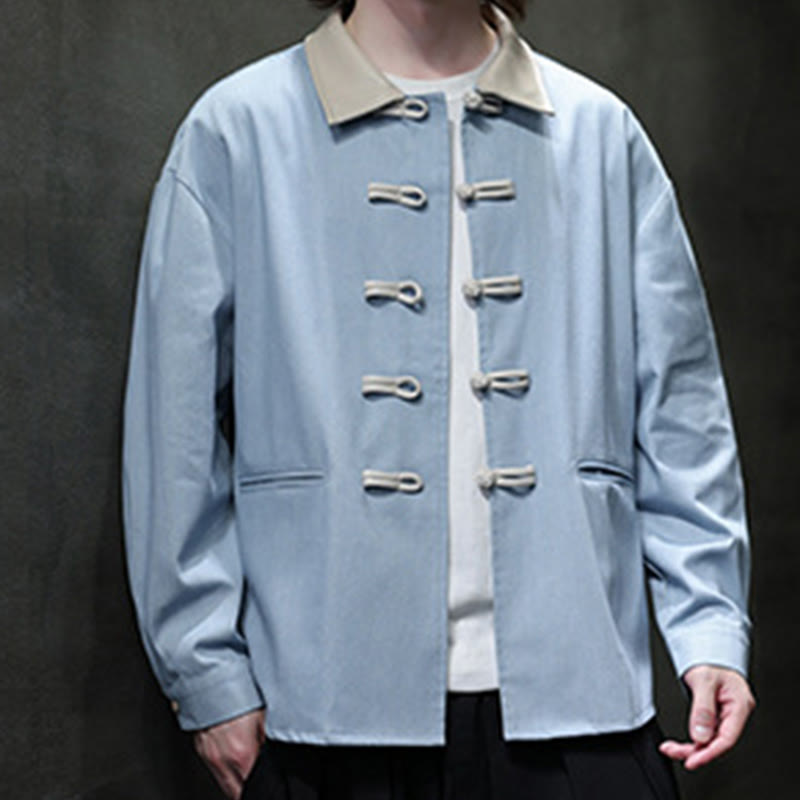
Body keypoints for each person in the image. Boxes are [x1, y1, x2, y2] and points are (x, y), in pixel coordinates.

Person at [120, 1, 756, 798]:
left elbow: (682, 413)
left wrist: (710, 628)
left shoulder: (600, 133)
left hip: (582, 709)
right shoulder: (236, 131)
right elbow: (173, 431)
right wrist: (207, 673)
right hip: (323, 708)